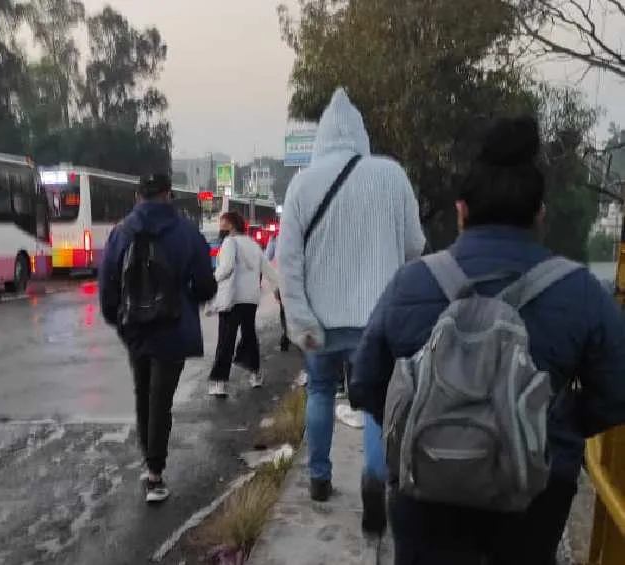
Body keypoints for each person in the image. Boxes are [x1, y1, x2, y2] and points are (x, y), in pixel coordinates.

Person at [350, 116, 625, 565]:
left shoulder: (411, 284)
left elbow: (363, 384)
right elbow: (616, 394)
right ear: (540, 213)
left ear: (461, 211)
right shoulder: (581, 293)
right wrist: (554, 425)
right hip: (534, 497)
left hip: (425, 489)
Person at [277, 87, 426, 544]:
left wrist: (300, 321)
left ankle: (319, 479)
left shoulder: (302, 183)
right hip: (377, 321)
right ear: (361, 135)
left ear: (321, 137)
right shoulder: (391, 175)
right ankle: (375, 482)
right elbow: (415, 247)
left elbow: (288, 262)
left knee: (321, 391)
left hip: (321, 323)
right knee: (377, 402)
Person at [99, 173, 217, 503]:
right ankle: (154, 474)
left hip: (135, 327)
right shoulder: (186, 232)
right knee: (161, 398)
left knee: (143, 391)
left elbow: (107, 283)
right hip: (173, 326)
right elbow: (206, 284)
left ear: (138, 195)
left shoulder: (121, 232)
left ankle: (150, 464)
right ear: (169, 195)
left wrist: (119, 320)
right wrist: (189, 298)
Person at [207, 211, 280, 396]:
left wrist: (211, 280)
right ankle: (255, 375)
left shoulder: (230, 242)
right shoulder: (253, 244)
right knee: (249, 337)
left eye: (222, 223)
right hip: (250, 299)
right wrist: (279, 287)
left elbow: (226, 268)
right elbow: (268, 269)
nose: (220, 226)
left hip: (232, 299)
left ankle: (220, 382)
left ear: (231, 225)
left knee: (226, 340)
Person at [264, 234, 291, 352]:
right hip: (294, 279)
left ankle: (286, 334)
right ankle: (290, 334)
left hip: (283, 280)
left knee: (284, 309)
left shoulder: (276, 238)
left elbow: (267, 258)